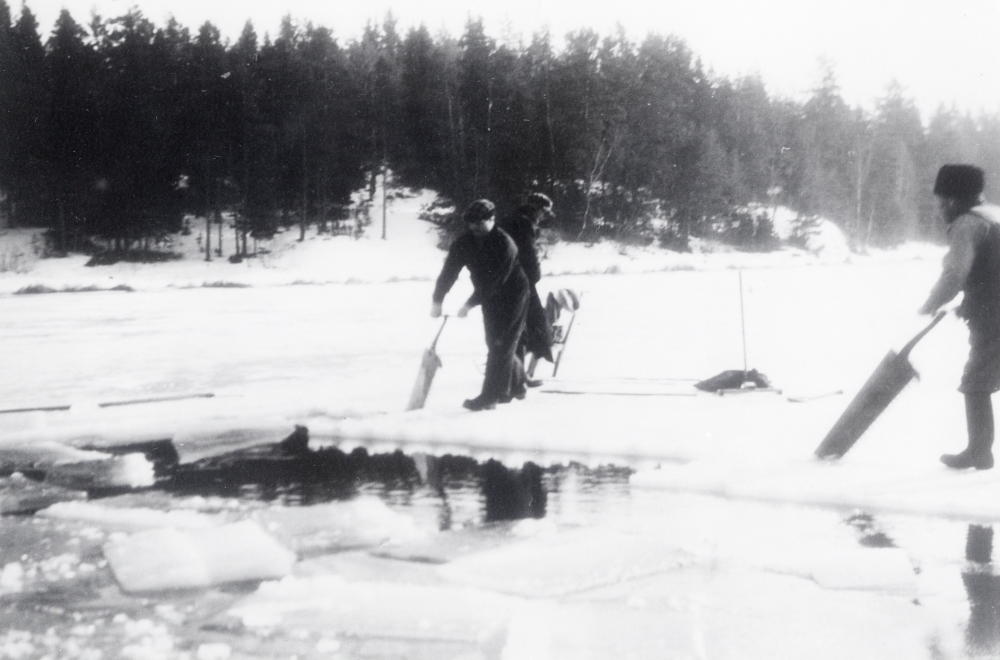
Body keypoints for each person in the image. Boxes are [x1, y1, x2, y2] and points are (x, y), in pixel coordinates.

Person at [919, 164, 1000, 470]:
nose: (940, 208)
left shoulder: (967, 224)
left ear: (953, 200)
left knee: (976, 381)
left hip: (995, 320)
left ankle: (980, 451)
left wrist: (930, 304)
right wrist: (965, 306)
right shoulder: (994, 217)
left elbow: (955, 274)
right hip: (992, 310)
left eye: (941, 201)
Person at [432, 199, 530, 411]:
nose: (475, 227)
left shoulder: (505, 244)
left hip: (513, 294)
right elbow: (448, 272)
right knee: (495, 343)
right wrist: (437, 299)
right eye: (471, 223)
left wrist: (468, 304)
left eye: (480, 222)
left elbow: (494, 282)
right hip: (488, 296)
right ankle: (519, 385)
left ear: (492, 219)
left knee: (502, 344)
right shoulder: (463, 243)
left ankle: (490, 396)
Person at [498, 192, 555, 386]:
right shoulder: (525, 224)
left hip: (502, 281)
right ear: (537, 210)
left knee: (516, 330)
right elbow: (529, 255)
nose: (543, 217)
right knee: (527, 328)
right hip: (521, 283)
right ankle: (517, 379)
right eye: (543, 213)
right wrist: (535, 276)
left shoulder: (509, 219)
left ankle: (517, 377)